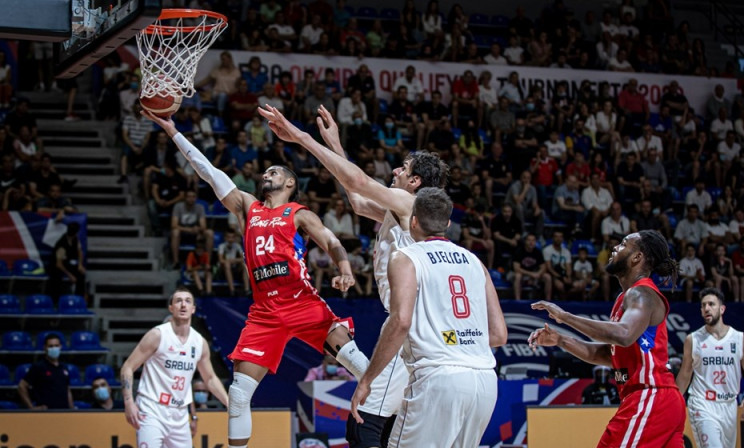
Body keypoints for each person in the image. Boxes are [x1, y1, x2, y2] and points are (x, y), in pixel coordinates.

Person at [142, 111, 369, 448]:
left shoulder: (299, 213)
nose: (267, 173)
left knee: (361, 366)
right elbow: (209, 172)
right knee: (238, 394)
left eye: (274, 171)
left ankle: (400, 421)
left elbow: (332, 241)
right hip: (264, 312)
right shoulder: (248, 207)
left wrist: (345, 268)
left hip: (301, 301)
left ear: (290, 183)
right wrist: (174, 132)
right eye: (266, 171)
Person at [259, 103, 450, 448]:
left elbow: (358, 180)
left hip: (411, 329)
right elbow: (359, 201)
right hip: (423, 328)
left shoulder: (410, 203)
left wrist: (301, 138)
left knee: (363, 423)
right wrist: (335, 144)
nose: (395, 170)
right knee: (392, 428)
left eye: (403, 168)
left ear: (416, 181)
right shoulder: (404, 210)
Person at [350, 188, 507, 446]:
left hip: (438, 378)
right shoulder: (475, 261)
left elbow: (400, 321)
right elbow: (500, 335)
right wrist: (454, 340)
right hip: (485, 382)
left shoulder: (406, 257)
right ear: (447, 223)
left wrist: (367, 380)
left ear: (413, 221)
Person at [529, 230, 685, 447]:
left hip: (650, 395)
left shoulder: (641, 293)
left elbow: (623, 334)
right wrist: (561, 340)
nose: (615, 248)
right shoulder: (624, 298)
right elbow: (605, 353)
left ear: (637, 257)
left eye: (623, 244)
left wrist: (564, 317)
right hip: (657, 400)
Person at [121, 287, 229, 447]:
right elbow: (128, 367)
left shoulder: (199, 342)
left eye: (187, 301)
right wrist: (129, 402)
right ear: (171, 308)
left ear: (193, 309)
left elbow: (210, 378)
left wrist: (229, 403)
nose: (183, 305)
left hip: (179, 413)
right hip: (152, 408)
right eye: (178, 301)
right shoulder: (157, 335)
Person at [675, 287, 744, 448]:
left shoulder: (738, 338)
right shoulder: (693, 339)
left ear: (722, 309)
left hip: (729, 404)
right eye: (703, 305)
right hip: (702, 404)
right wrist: (674, 403)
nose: (706, 308)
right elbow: (685, 375)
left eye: (711, 304)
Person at [18, 333, 72, 409]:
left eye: (56, 346)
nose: (54, 348)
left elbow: (67, 390)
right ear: (45, 347)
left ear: (60, 346)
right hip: (45, 413)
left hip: (63, 412)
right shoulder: (38, 367)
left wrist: (71, 409)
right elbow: (22, 386)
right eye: (51, 346)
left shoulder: (64, 367)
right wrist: (31, 407)